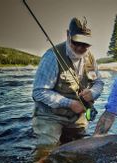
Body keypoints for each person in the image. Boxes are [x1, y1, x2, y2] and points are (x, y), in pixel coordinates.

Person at [32, 17, 104, 147]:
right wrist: (69, 103)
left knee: (80, 153)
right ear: (67, 35)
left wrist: (93, 93)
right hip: (50, 117)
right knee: (47, 152)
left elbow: (99, 82)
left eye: (86, 44)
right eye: (77, 42)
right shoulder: (52, 57)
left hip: (77, 117)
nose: (82, 47)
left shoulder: (91, 57)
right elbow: (39, 92)